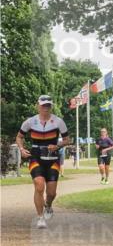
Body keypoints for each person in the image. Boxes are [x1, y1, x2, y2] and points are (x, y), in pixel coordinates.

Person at [16, 95, 71, 228]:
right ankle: (40, 218)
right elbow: (19, 137)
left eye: (48, 105)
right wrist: (22, 149)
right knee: (39, 185)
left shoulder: (58, 122)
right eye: (43, 105)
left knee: (51, 193)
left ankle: (48, 205)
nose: (45, 108)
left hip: (53, 159)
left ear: (51, 106)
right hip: (36, 157)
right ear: (38, 106)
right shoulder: (30, 122)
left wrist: (57, 146)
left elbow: (67, 140)